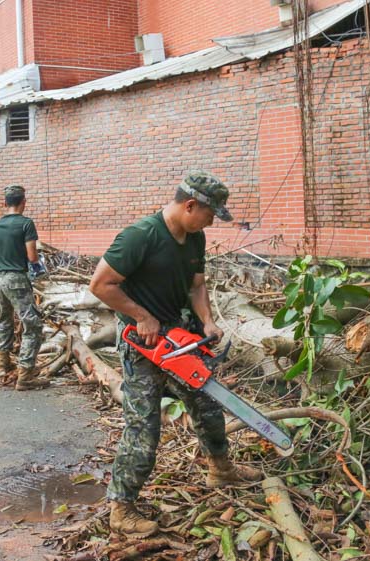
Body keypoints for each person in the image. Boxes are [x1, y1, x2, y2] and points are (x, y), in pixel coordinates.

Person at [89, 171, 261, 538]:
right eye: (210, 214)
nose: (212, 221)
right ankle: (121, 508)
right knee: (144, 427)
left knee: (208, 406)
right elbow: (100, 284)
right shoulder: (141, 236)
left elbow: (197, 285)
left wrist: (208, 322)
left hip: (182, 338)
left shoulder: (194, 238)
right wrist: (142, 316)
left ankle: (220, 468)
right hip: (144, 344)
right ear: (190, 205)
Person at [0, 185, 49, 391]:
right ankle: (25, 375)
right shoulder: (26, 223)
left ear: (5, 203)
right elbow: (32, 257)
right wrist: (39, 268)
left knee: (4, 320)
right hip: (16, 279)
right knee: (32, 325)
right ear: (24, 202)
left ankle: (4, 365)